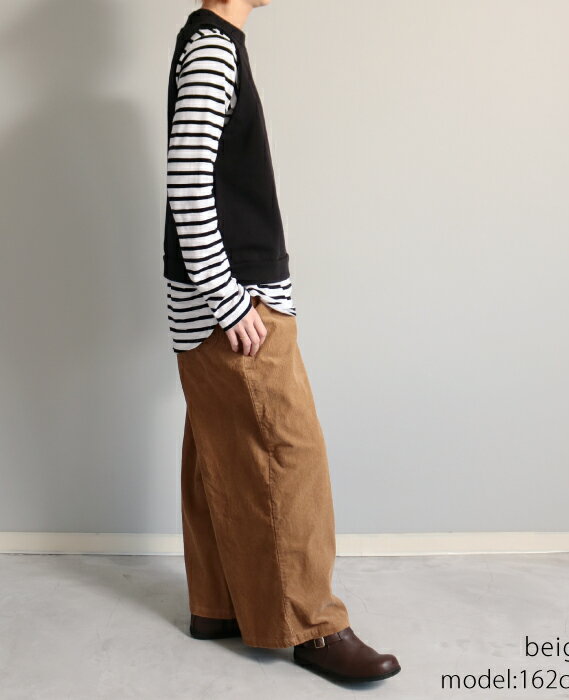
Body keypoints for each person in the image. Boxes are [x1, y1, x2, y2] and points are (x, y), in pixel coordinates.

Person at [163, 0, 401, 683]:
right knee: (289, 455)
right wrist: (229, 297)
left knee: (218, 448)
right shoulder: (214, 49)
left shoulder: (209, 42)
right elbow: (188, 185)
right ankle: (311, 627)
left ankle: (218, 606)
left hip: (222, 296)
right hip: (237, 300)